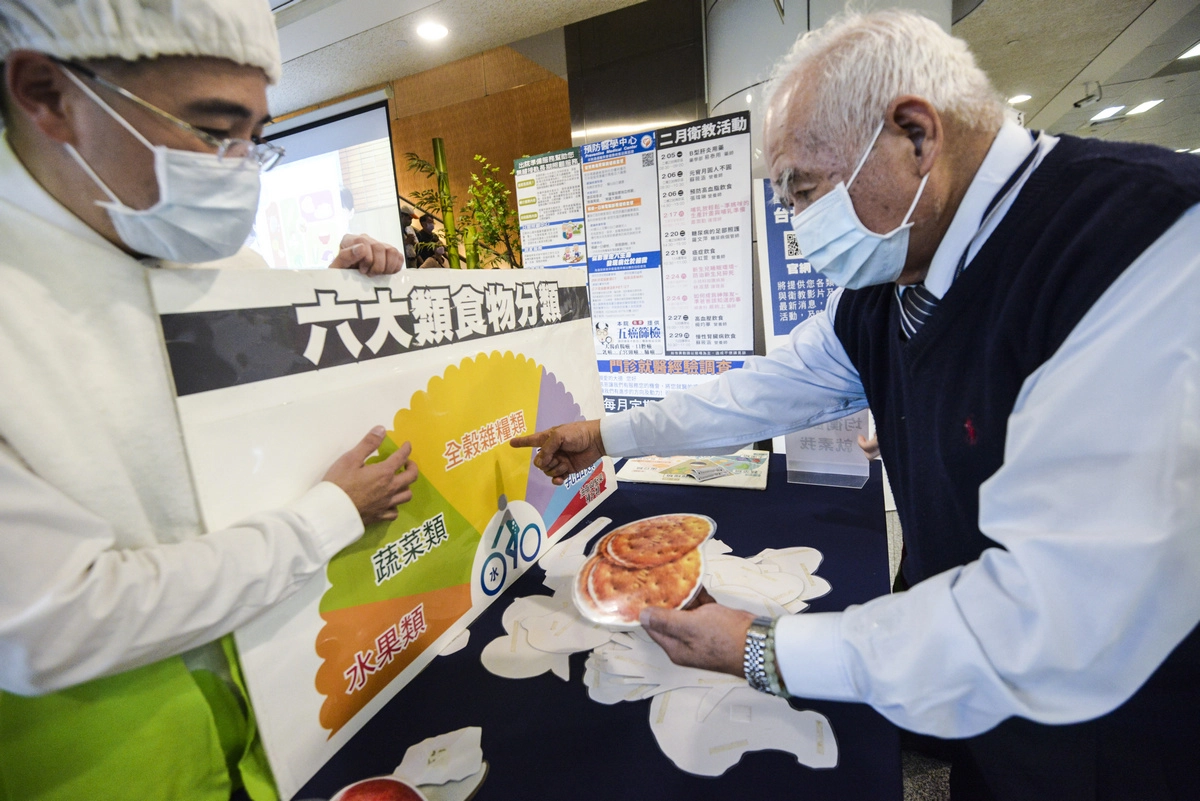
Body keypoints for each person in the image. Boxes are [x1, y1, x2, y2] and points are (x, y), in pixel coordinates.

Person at [513, 10, 1200, 800]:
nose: (801, 229)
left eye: (804, 190)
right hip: (993, 730)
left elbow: (1051, 613)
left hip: (1133, 741)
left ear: (915, 134)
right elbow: (758, 394)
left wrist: (764, 648)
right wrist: (603, 432)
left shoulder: (1141, 245)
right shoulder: (890, 284)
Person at [0, 1, 416, 799]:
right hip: (114, 766)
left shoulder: (184, 247)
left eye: (256, 138)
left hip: (275, 721)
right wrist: (328, 513)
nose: (237, 170)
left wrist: (333, 298)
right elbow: (51, 624)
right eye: (211, 130)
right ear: (47, 93)